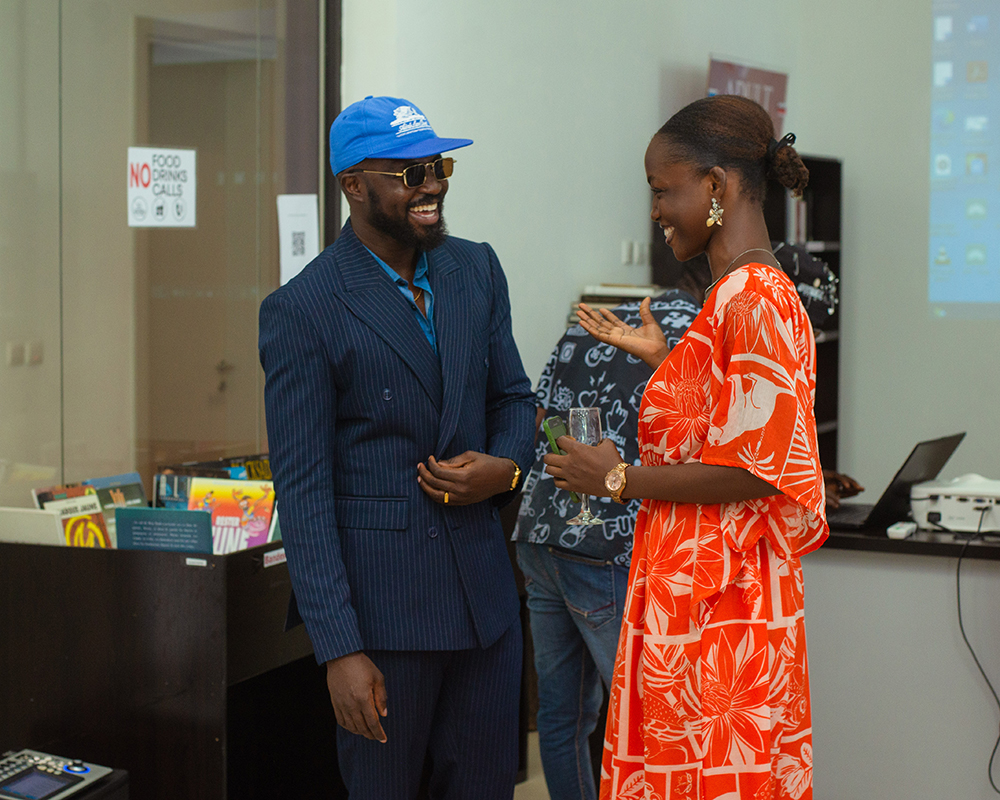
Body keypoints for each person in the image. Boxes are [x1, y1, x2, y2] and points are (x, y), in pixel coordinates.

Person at [544, 95, 830, 799]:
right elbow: (732, 420)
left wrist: (619, 479)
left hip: (720, 610)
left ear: (716, 186)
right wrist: (672, 363)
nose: (656, 209)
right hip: (694, 598)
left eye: (661, 189)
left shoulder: (755, 297)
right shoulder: (731, 296)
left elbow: (757, 469)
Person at [258, 95, 536, 800]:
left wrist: (505, 468)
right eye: (410, 174)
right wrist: (340, 650)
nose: (434, 184)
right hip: (383, 623)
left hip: (488, 610)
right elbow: (305, 492)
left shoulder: (474, 270)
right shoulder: (304, 309)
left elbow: (513, 399)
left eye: (438, 167)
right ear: (354, 185)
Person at [513, 289, 702, 800]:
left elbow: (536, 420)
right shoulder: (692, 334)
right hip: (608, 542)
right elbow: (701, 440)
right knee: (638, 721)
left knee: (561, 715)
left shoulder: (590, 323)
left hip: (539, 531)